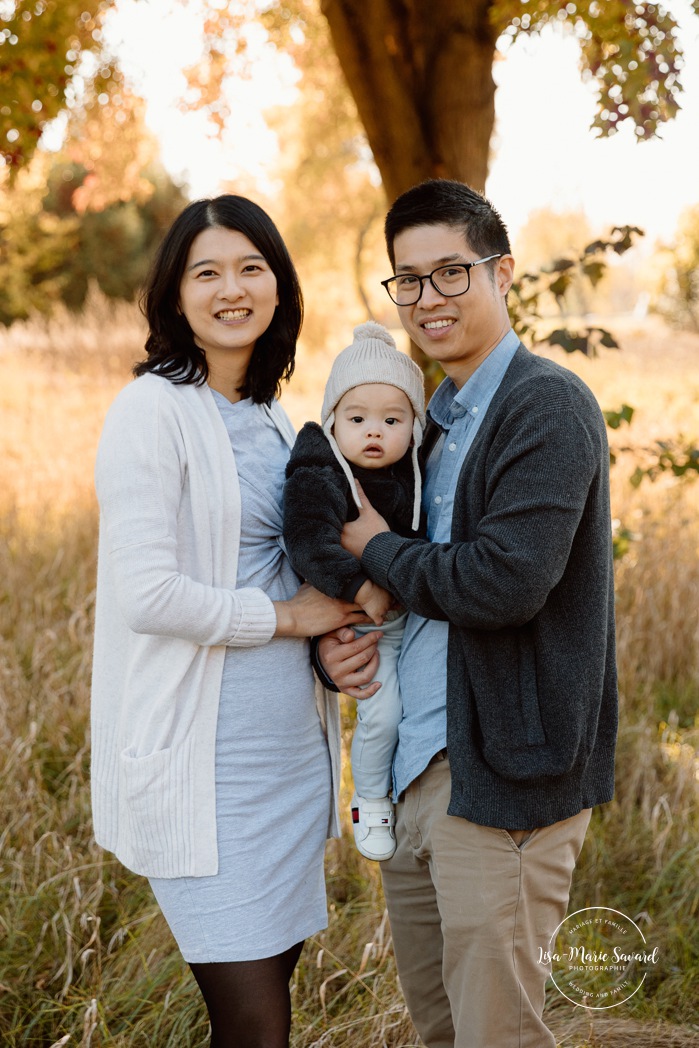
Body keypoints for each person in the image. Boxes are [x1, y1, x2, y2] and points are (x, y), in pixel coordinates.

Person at [317, 178, 618, 1048]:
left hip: (501, 780)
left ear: (502, 273)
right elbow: (409, 591)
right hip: (416, 767)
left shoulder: (545, 406)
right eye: (406, 280)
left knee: (498, 1034)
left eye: (450, 272)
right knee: (441, 1030)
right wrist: (343, 642)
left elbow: (501, 584)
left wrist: (373, 546)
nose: (427, 299)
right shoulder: (425, 424)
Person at [90, 194, 371, 1048]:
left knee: (254, 1021)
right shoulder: (152, 411)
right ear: (175, 296)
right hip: (203, 774)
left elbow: (281, 567)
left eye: (251, 267)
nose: (231, 288)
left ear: (279, 287)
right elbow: (149, 595)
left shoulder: (270, 417)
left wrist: (329, 646)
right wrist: (292, 620)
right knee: (257, 1031)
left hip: (285, 764)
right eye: (205, 271)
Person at [283, 320, 426, 861]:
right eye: (357, 418)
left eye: (391, 420)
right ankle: (369, 800)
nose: (374, 432)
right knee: (382, 713)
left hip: (418, 616)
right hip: (362, 623)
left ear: (413, 426)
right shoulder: (321, 471)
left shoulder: (416, 468)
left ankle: (405, 794)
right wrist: (361, 587)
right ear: (332, 420)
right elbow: (307, 542)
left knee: (418, 713)